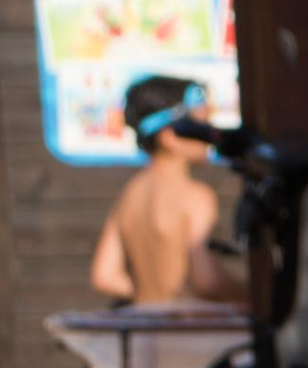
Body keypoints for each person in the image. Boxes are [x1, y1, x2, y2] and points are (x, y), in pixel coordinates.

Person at [88, 76, 240, 306]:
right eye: (200, 126)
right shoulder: (196, 196)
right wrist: (253, 296)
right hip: (190, 326)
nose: (210, 134)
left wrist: (153, 296)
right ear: (169, 136)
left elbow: (105, 276)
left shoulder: (130, 194)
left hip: (144, 325)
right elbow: (207, 281)